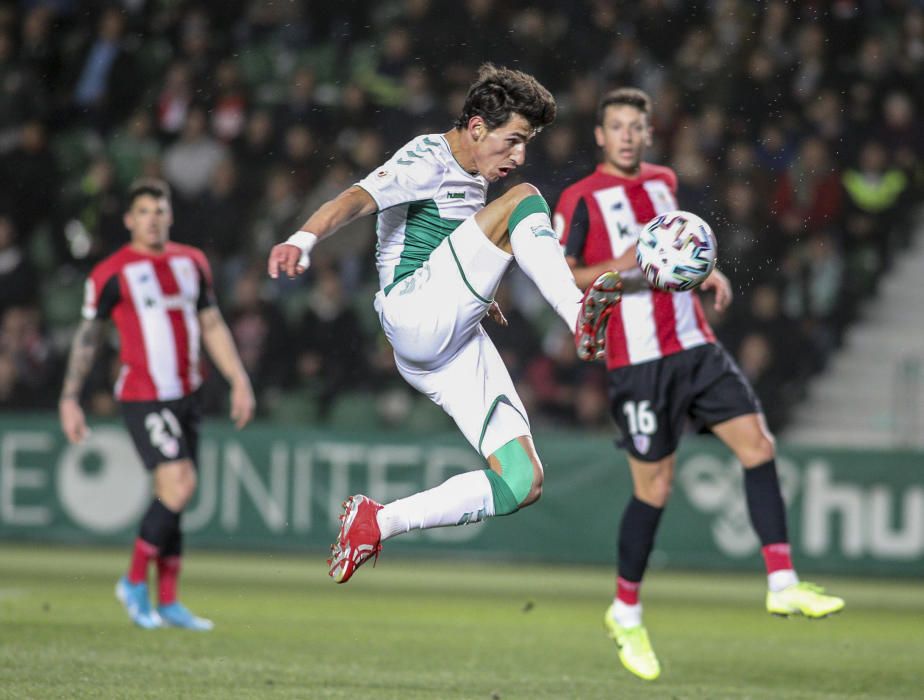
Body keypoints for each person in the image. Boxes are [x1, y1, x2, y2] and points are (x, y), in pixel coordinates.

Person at [268, 64, 621, 585]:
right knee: (525, 200)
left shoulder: (478, 172)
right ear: (477, 128)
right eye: (514, 140)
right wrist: (303, 239)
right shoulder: (426, 156)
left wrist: (483, 293)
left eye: (527, 142)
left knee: (523, 482)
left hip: (450, 340)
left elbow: (456, 239)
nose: (519, 155)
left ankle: (377, 522)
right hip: (415, 311)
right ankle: (577, 314)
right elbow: (354, 199)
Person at [554, 88, 844, 681]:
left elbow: (675, 249)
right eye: (618, 126)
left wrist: (704, 271)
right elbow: (565, 275)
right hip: (636, 361)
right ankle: (625, 611)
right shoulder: (579, 198)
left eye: (638, 124)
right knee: (655, 488)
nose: (629, 134)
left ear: (649, 133)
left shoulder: (663, 181)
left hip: (695, 346)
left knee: (759, 447)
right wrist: (629, 265)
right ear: (600, 137)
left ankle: (782, 582)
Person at [59, 178, 255, 630]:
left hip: (188, 394)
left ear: (170, 216)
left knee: (174, 494)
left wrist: (238, 379)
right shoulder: (111, 272)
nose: (152, 218)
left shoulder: (193, 263)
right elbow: (88, 339)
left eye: (159, 210)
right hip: (145, 395)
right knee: (179, 485)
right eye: (143, 211)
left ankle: (167, 601)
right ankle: (132, 583)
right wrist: (71, 397)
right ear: (129, 220)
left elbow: (211, 323)